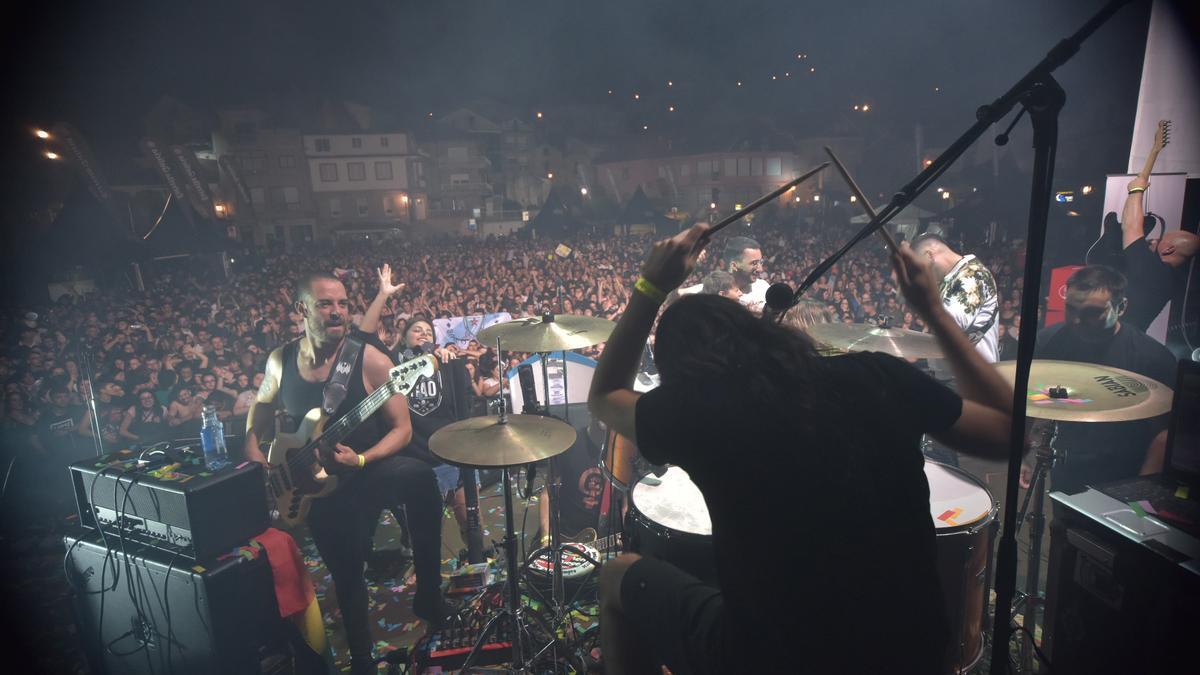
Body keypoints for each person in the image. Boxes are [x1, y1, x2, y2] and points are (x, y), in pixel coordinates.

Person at [589, 224, 1013, 674]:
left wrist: (650, 285)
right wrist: (934, 311)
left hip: (776, 656)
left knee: (618, 575)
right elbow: (1008, 432)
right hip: (912, 649)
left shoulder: (700, 414)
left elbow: (604, 394)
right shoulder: (880, 375)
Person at [243, 272, 448, 674]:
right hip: (314, 483)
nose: (337, 312)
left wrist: (361, 459)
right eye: (325, 304)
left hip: (368, 468)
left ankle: (429, 593)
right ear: (302, 309)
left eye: (342, 303)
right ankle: (361, 660)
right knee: (347, 573)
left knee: (421, 479)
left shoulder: (370, 358)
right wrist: (253, 450)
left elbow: (402, 429)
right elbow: (260, 411)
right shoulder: (281, 360)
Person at [1024, 265, 1177, 494]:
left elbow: (1163, 434)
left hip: (1125, 470)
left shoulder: (1151, 357)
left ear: (1121, 307)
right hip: (1068, 463)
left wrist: (1143, 488)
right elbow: (1031, 398)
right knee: (1061, 526)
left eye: (1092, 313)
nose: (1076, 320)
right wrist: (1021, 454)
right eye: (1071, 309)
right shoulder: (1051, 341)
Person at [359, 264, 478, 546]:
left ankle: (477, 561)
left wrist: (450, 359)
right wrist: (382, 296)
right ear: (404, 339)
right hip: (415, 462)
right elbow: (365, 338)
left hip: (450, 457)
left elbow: (465, 405)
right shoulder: (392, 366)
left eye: (428, 331)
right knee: (421, 537)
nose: (424, 334)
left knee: (472, 524)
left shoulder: (446, 363)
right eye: (417, 331)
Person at [1119, 175, 1199, 331]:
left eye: (1159, 239)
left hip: (1112, 342)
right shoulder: (1170, 278)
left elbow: (1130, 227)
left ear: (1168, 249)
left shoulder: (1153, 271)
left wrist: (1136, 190)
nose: (1153, 240)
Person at [911, 233, 1000, 362]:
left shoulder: (973, 275)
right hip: (953, 376)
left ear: (929, 255)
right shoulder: (950, 278)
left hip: (972, 377)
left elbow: (950, 325)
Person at [677, 236, 770, 312]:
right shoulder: (709, 290)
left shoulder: (762, 287)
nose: (760, 269)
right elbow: (672, 297)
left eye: (760, 262)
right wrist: (685, 267)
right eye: (754, 263)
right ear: (734, 265)